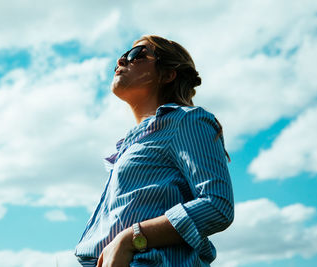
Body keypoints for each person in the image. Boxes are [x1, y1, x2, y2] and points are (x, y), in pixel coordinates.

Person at [75, 35, 234, 267]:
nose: (122, 60)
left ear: (168, 74)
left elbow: (217, 204)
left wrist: (131, 238)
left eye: (136, 55)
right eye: (122, 56)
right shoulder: (133, 141)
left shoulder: (187, 120)